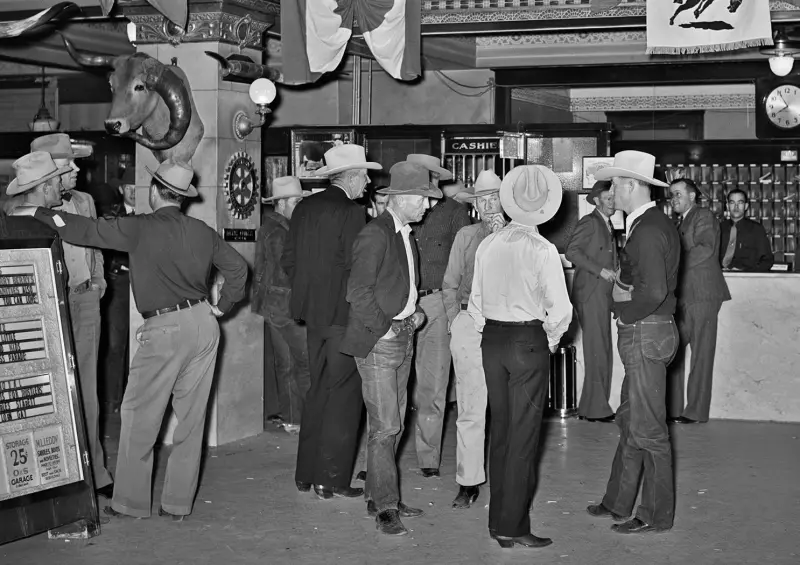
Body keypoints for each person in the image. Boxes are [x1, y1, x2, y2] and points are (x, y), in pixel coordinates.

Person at [24, 159, 248, 521]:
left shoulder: (140, 228)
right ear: (183, 198)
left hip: (165, 329)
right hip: (205, 325)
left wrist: (38, 212)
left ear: (156, 191)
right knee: (192, 421)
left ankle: (130, 502)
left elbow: (86, 230)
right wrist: (221, 307)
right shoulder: (203, 230)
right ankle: (177, 504)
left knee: (139, 414)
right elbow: (238, 269)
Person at [468, 165, 571, 549]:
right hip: (527, 340)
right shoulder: (543, 250)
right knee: (524, 438)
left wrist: (490, 331)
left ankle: (498, 523)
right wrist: (551, 338)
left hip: (492, 339)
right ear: (546, 209)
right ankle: (514, 526)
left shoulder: (489, 244)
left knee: (501, 431)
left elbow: (475, 303)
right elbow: (559, 310)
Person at [341, 161, 441, 536]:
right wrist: (385, 329)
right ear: (402, 198)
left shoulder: (401, 233)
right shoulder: (376, 235)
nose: (428, 207)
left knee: (389, 423)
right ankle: (385, 507)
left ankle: (377, 494)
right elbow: (358, 293)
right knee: (387, 427)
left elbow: (397, 286)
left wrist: (412, 317)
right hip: (380, 342)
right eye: (423, 199)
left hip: (401, 334)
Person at [588, 150, 680, 535]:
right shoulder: (652, 224)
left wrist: (624, 312)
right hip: (650, 331)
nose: (611, 191)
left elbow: (654, 289)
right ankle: (618, 500)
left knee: (649, 430)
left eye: (614, 184)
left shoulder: (647, 229)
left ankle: (654, 515)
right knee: (631, 420)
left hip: (645, 331)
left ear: (630, 185)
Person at [282, 144, 380, 499]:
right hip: (342, 315)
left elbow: (289, 261)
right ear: (351, 176)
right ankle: (331, 478)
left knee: (318, 390)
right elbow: (356, 269)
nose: (368, 182)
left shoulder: (305, 207)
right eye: (365, 175)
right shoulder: (351, 211)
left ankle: (305, 473)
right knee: (343, 396)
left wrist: (310, 292)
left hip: (312, 316)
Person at [441, 169, 505, 510]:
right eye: (483, 199)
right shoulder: (466, 235)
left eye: (495, 197)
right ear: (475, 205)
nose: (490, 204)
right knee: (470, 408)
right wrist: (456, 321)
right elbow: (449, 283)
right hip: (470, 323)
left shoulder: (522, 235)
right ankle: (468, 482)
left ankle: (509, 479)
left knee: (508, 408)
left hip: (508, 327)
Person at [406, 153, 471, 478]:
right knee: (390, 385)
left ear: (433, 178)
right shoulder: (403, 211)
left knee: (433, 386)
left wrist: (454, 307)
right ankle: (373, 460)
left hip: (435, 305)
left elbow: (464, 264)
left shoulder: (455, 213)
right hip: (400, 304)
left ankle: (427, 459)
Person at [667, 179, 730, 425]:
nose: (674, 199)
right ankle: (672, 410)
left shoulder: (703, 216)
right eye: (671, 195)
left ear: (692, 196)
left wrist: (674, 263)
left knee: (701, 356)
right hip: (684, 295)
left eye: (678, 194)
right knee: (676, 353)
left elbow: (705, 249)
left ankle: (695, 412)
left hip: (703, 294)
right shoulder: (681, 222)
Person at [253, 176, 311, 432]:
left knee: (286, 363)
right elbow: (290, 270)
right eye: (297, 201)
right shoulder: (280, 231)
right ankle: (306, 418)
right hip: (285, 306)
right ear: (282, 203)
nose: (299, 205)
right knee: (304, 362)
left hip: (273, 305)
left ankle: (292, 418)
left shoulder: (272, 226)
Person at [566, 180, 617, 423]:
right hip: (591, 293)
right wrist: (601, 270)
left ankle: (591, 407)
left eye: (614, 198)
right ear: (596, 200)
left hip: (601, 294)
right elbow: (572, 252)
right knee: (598, 350)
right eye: (608, 199)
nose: (613, 203)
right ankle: (597, 409)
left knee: (601, 349)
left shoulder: (605, 224)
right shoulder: (590, 222)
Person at [719, 188, 774, 272]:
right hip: (719, 276)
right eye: (732, 202)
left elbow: (767, 261)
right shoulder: (719, 228)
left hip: (745, 278)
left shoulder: (756, 229)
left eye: (740, 202)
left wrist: (746, 272)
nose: (736, 207)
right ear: (727, 206)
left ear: (746, 206)